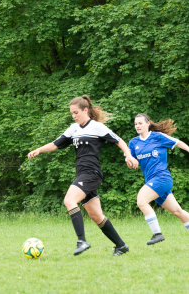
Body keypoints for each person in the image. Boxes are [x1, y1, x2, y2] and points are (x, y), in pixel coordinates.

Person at [28, 95, 139, 256]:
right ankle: (121, 246)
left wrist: (128, 155)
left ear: (85, 110)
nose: (73, 116)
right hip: (82, 174)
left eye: (76, 113)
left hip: (91, 173)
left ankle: (82, 240)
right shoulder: (73, 128)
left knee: (69, 200)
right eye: (71, 113)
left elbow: (119, 140)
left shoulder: (97, 127)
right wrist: (39, 150)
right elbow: (55, 144)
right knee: (96, 216)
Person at [128, 113, 189, 245]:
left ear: (148, 123)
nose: (137, 126)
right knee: (177, 211)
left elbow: (178, 142)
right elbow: (129, 159)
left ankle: (157, 234)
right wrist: (131, 160)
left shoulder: (157, 137)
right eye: (135, 124)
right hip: (151, 181)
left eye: (140, 123)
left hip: (162, 178)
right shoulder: (133, 142)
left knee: (141, 201)